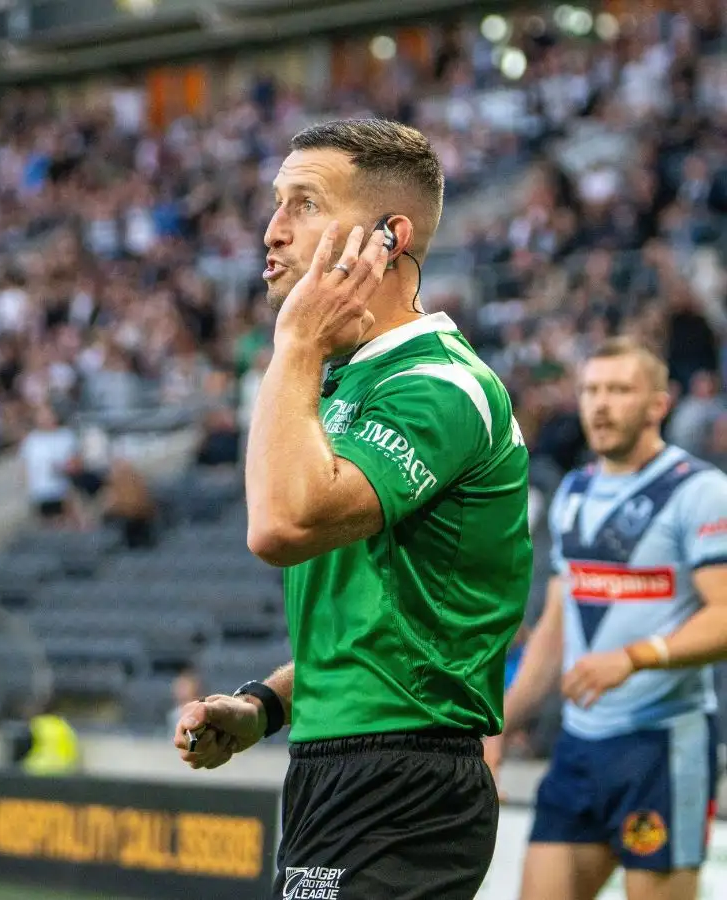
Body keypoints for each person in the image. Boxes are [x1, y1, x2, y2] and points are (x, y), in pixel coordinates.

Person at [173, 118, 532, 899]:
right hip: (337, 767)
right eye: (275, 204)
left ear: (389, 237)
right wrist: (265, 705)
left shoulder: (440, 388)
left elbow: (278, 526)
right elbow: (387, 635)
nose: (271, 232)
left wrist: (295, 341)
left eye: (303, 204)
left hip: (406, 780)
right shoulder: (348, 392)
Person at [487, 339, 727, 900]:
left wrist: (635, 657)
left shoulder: (701, 491)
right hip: (580, 745)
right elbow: (555, 628)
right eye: (592, 389)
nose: (600, 404)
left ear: (657, 405)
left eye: (619, 390)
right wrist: (501, 724)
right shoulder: (574, 491)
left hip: (663, 746)